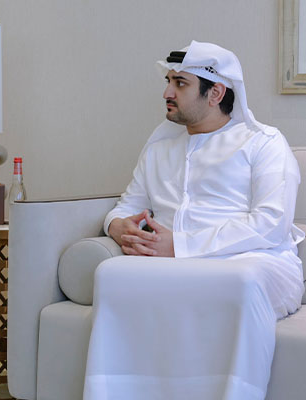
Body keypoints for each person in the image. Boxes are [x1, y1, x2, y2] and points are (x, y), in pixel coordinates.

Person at [84, 41, 305, 400]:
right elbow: (126, 206)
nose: (167, 93)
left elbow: (271, 224)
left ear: (215, 93)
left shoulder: (263, 143)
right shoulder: (159, 150)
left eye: (180, 83)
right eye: (169, 81)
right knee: (110, 272)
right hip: (170, 262)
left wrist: (180, 245)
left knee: (242, 281)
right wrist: (118, 226)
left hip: (255, 260)